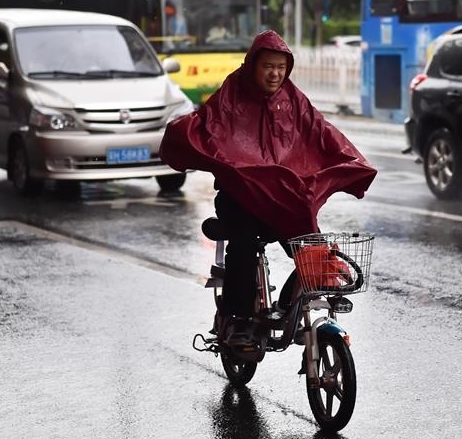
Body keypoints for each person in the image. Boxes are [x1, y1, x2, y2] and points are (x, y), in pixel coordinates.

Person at [160, 30, 376, 349]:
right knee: (244, 243)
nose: (275, 74)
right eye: (268, 66)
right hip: (240, 195)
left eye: (280, 67)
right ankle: (238, 320)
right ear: (253, 66)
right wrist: (185, 135)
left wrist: (351, 160)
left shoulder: (293, 98)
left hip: (282, 198)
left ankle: (292, 306)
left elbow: (319, 131)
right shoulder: (233, 93)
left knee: (308, 244)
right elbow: (210, 125)